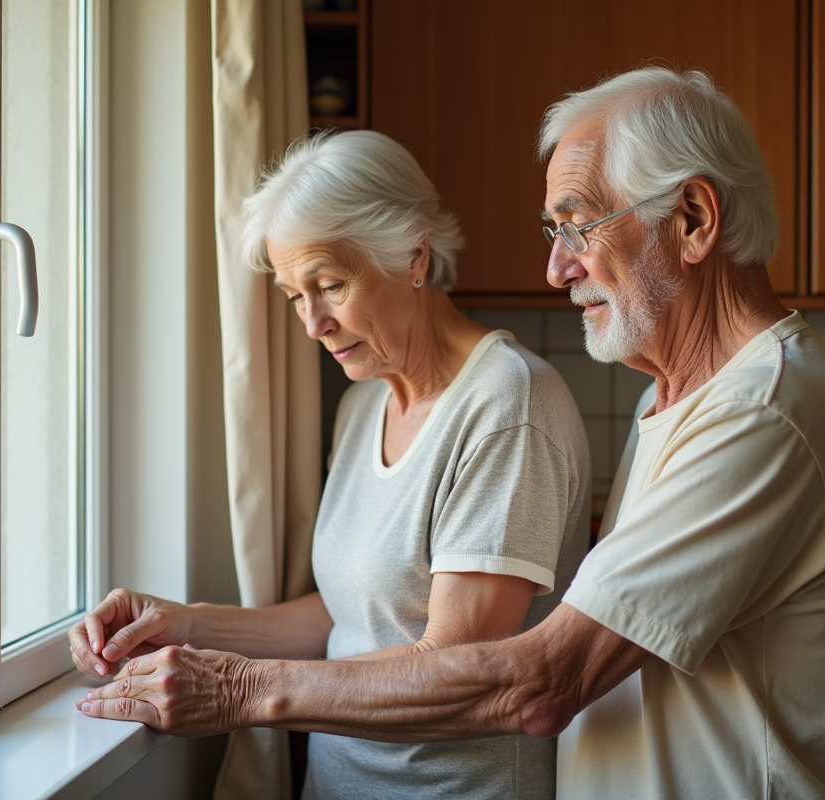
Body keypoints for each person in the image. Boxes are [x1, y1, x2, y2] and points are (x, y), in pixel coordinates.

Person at [77, 67, 825, 800]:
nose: (557, 269)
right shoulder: (681, 399)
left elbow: (539, 682)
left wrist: (239, 692)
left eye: (579, 227)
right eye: (555, 233)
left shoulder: (763, 414)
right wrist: (191, 625)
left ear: (691, 218)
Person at [69, 130, 591, 800]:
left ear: (413, 256)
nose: (312, 321)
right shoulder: (362, 403)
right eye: (294, 294)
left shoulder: (508, 403)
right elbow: (348, 617)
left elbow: (458, 671)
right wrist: (186, 625)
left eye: (331, 285)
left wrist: (238, 691)